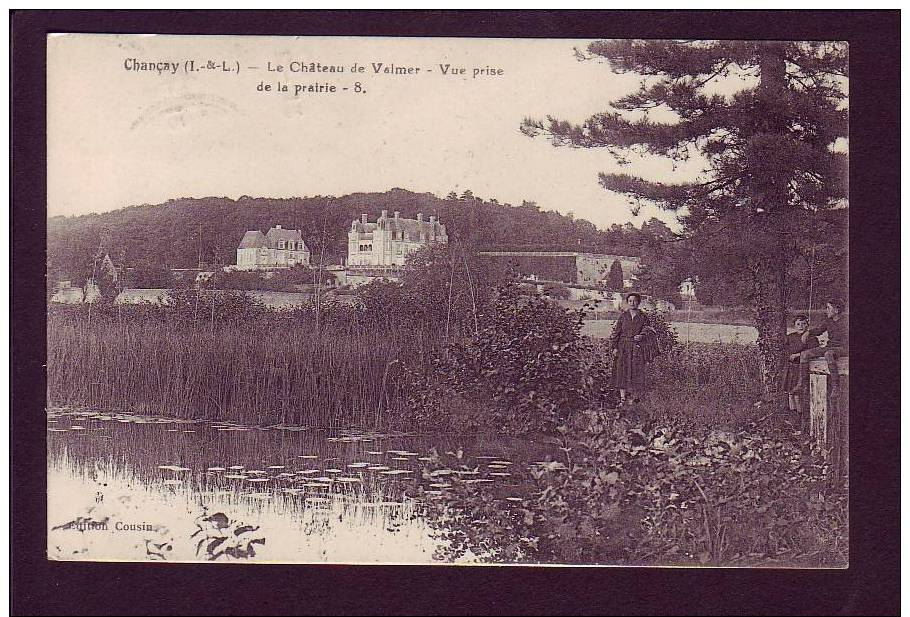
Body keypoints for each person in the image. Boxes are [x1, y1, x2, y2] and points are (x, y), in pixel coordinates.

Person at [789, 299, 849, 395]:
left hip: (843, 348)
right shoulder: (828, 321)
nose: (826, 310)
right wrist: (808, 332)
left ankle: (836, 387)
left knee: (828, 354)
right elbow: (819, 330)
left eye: (829, 308)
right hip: (830, 347)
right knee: (805, 354)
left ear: (836, 310)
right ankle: (802, 384)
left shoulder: (846, 322)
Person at [609, 293, 659, 406]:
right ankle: (622, 399)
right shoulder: (623, 316)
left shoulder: (643, 316)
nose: (632, 303)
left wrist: (642, 336)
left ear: (638, 302)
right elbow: (617, 332)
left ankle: (634, 398)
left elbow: (649, 330)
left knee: (636, 371)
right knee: (622, 371)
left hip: (637, 348)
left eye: (635, 301)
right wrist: (615, 347)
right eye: (630, 301)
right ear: (627, 302)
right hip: (623, 347)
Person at [784, 315, 819, 413]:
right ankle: (793, 413)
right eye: (798, 324)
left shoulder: (812, 338)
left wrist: (798, 354)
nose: (801, 326)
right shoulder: (790, 337)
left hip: (803, 367)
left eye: (804, 324)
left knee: (798, 393)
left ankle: (801, 414)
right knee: (790, 392)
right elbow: (787, 351)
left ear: (807, 325)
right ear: (794, 326)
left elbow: (814, 352)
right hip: (792, 368)